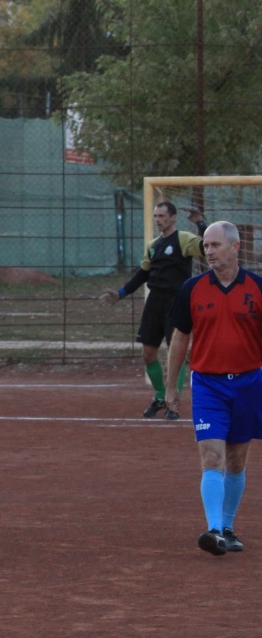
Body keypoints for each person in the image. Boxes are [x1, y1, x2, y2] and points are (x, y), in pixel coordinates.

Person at [166, 220, 262, 556]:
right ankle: (214, 530)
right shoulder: (192, 288)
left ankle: (227, 526)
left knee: (236, 460)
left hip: (250, 384)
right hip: (208, 384)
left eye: (215, 245)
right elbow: (180, 338)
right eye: (206, 246)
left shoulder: (257, 287)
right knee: (211, 457)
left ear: (235, 248)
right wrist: (172, 386)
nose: (209, 251)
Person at [100, 200, 205, 419]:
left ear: (173, 217)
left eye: (162, 216)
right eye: (156, 216)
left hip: (176, 301)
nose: (158, 220)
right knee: (148, 354)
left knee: (176, 354)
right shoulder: (154, 244)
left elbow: (206, 247)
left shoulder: (183, 239)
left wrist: (201, 223)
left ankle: (173, 403)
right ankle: (159, 396)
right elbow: (143, 274)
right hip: (154, 302)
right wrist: (120, 294)